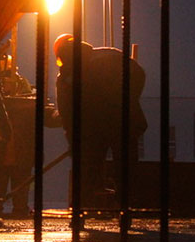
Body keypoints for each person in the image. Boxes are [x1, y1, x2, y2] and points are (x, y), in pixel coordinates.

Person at [53, 33, 148, 209]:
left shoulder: (67, 73)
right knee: (125, 164)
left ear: (61, 55)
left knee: (89, 164)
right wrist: (128, 102)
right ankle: (124, 203)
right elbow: (138, 74)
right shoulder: (110, 54)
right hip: (123, 120)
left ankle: (84, 204)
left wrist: (72, 137)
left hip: (97, 124)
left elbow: (66, 111)